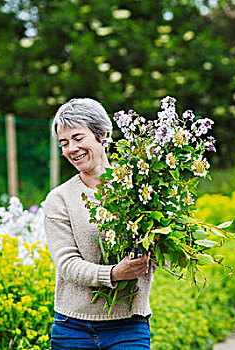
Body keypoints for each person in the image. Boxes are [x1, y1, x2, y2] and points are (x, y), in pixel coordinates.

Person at [44, 98, 153, 349]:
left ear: (102, 135)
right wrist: (114, 274)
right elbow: (68, 265)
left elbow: (161, 255)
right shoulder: (60, 199)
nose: (72, 148)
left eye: (78, 138)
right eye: (64, 143)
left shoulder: (140, 191)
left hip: (129, 325)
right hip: (72, 329)